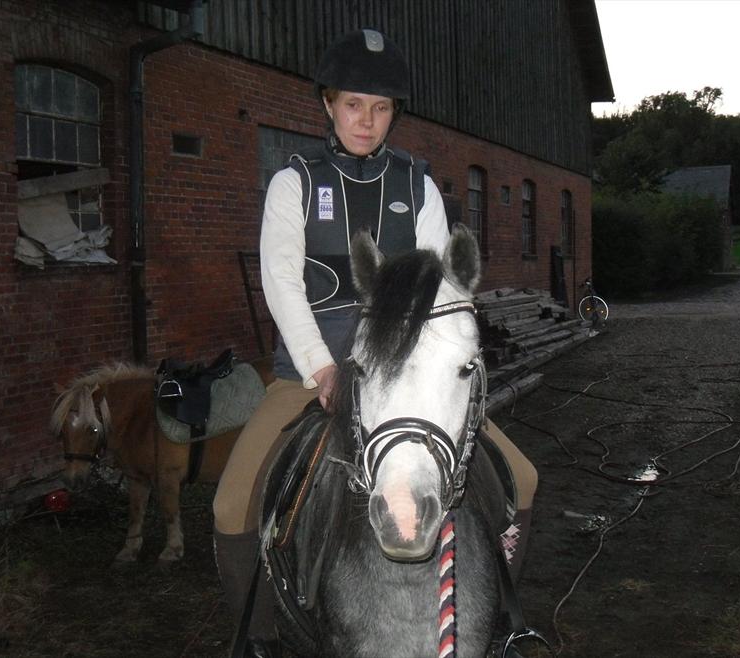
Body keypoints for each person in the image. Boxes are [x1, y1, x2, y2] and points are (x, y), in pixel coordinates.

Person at [212, 28, 538, 648]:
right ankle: (256, 639)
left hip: (406, 371)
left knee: (522, 479)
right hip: (313, 368)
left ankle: (500, 620)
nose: (367, 120)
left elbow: (444, 286)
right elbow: (280, 281)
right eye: (355, 104)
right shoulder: (295, 182)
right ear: (329, 105)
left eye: (381, 107)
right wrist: (322, 369)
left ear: (394, 116)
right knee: (232, 505)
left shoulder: (417, 186)